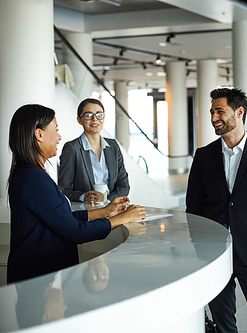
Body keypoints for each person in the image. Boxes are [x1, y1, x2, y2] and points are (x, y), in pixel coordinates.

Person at [7, 104, 146, 284]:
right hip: (37, 278)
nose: (59, 137)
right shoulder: (34, 179)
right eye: (55, 130)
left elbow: (60, 218)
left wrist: (105, 212)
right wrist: (121, 219)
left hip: (36, 275)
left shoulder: (28, 174)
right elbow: (74, 231)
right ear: (39, 135)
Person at [186, 88, 247, 333]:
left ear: (239, 112)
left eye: (220, 111)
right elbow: (194, 209)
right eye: (212, 112)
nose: (213, 117)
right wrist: (199, 252)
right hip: (214, 253)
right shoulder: (203, 156)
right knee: (223, 323)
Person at [59, 98, 130, 203]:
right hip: (87, 212)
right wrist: (84, 197)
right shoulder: (72, 148)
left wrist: (107, 202)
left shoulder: (113, 146)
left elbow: (124, 185)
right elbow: (63, 189)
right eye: (88, 115)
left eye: (99, 114)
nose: (95, 119)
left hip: (112, 208)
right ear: (79, 119)